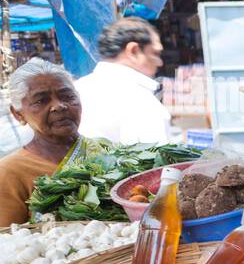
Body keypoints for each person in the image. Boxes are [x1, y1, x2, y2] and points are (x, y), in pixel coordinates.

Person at [0, 60, 82, 226]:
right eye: (41, 101)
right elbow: (7, 242)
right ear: (18, 114)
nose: (59, 106)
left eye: (67, 96)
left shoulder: (108, 153)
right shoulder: (9, 172)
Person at [75, 18, 170, 145]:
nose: (160, 62)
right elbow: (153, 162)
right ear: (134, 51)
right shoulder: (141, 101)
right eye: (155, 53)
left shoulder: (77, 89)